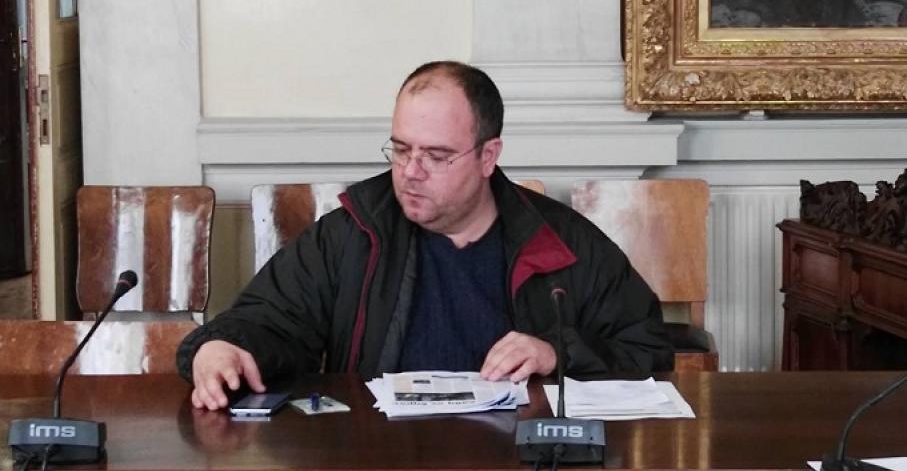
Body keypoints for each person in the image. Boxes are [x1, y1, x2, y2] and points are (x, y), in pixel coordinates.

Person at [177, 61, 673, 410]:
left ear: (488, 156)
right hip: (379, 454)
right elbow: (271, 319)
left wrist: (556, 352)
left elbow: (647, 348)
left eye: (436, 156)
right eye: (400, 150)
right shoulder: (355, 232)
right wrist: (221, 347)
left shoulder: (559, 241)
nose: (411, 172)